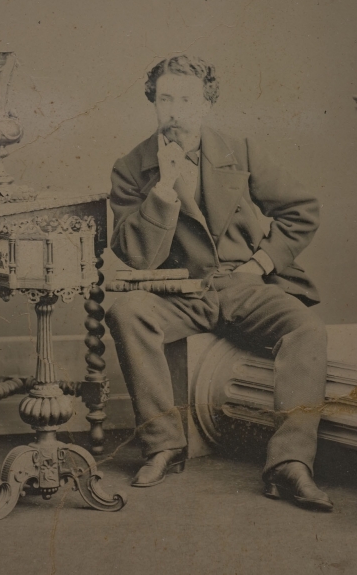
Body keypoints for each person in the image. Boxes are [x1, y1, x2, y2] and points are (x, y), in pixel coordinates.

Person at [106, 55, 332, 511]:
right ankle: (163, 445)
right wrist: (164, 188)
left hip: (243, 286)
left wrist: (260, 263)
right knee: (125, 311)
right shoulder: (131, 167)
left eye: (186, 100)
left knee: (306, 328)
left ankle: (290, 463)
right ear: (153, 102)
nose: (175, 110)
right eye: (166, 99)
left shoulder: (240, 151)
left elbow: (302, 209)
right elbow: (134, 256)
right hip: (178, 293)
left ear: (207, 104)